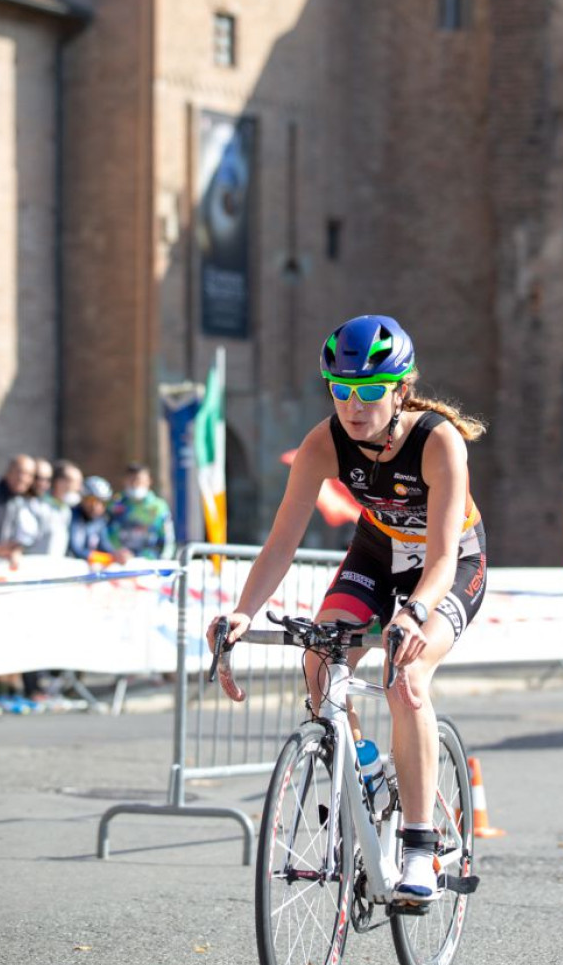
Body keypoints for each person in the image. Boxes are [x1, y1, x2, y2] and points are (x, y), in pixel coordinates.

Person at [206, 314, 488, 904]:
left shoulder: (438, 441)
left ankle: (419, 845)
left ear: (401, 391)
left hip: (450, 564)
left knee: (405, 675)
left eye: (369, 391)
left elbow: (441, 559)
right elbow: (281, 543)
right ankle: (365, 768)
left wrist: (413, 614)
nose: (353, 407)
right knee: (319, 659)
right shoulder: (323, 443)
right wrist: (243, 612)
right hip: (377, 552)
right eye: (341, 390)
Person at [103, 464, 174, 563]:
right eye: (131, 480)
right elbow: (106, 533)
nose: (135, 484)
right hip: (120, 562)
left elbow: (167, 537)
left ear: (149, 481)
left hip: (151, 561)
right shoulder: (115, 505)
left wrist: (164, 559)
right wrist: (116, 553)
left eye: (139, 480)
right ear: (124, 481)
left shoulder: (159, 507)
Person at [30, 459, 83, 558]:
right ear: (59, 482)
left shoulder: (66, 511)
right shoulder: (37, 505)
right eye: (74, 482)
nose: (79, 488)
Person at [68, 476, 112, 560]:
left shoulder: (100, 521)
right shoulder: (73, 516)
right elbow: (76, 549)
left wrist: (116, 555)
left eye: (102, 502)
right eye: (91, 500)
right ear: (83, 499)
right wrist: (103, 558)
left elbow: (104, 546)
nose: (95, 506)